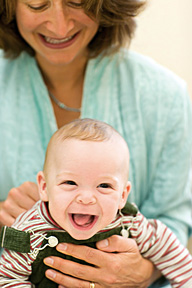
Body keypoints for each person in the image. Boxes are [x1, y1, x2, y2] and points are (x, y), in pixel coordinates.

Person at [0, 1, 191, 288]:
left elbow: (173, 222)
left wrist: (144, 272)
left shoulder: (165, 96)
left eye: (77, 2)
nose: (60, 26)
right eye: (38, 5)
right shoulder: (28, 231)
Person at [0, 118, 192, 288]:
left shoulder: (129, 221)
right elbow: (7, 279)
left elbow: (169, 250)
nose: (86, 198)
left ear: (123, 195)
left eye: (104, 186)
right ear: (44, 187)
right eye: (70, 183)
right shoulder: (28, 232)